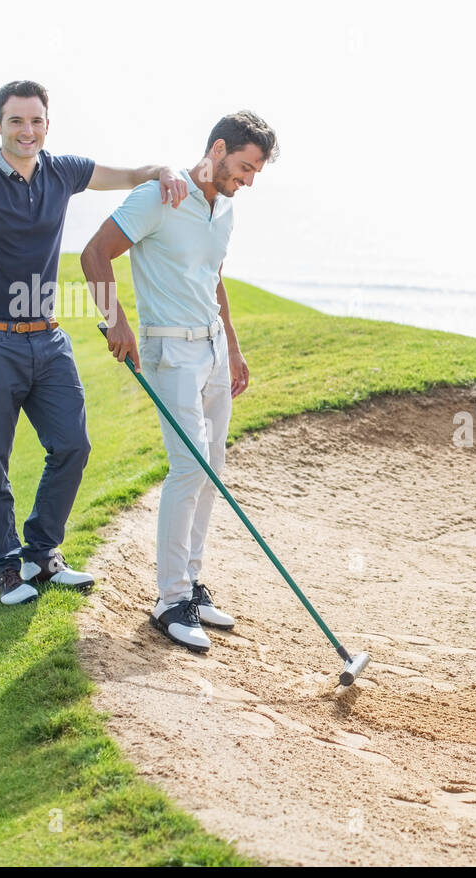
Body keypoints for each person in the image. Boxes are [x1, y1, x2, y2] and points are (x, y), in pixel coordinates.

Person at [0, 80, 189, 606]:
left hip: (47, 340)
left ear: (48, 125)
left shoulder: (62, 171)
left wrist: (165, 171)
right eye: (16, 121)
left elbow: (130, 175)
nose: (27, 131)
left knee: (72, 446)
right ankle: (5, 568)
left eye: (36, 121)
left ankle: (42, 553)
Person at [81, 111, 276, 652]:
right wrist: (112, 318)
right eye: (244, 166)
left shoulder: (226, 209)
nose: (249, 180)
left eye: (256, 170)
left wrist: (232, 346)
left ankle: (189, 582)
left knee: (211, 467)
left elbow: (214, 278)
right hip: (170, 350)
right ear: (217, 149)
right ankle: (169, 603)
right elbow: (94, 254)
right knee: (188, 465)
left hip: (213, 349)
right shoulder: (158, 198)